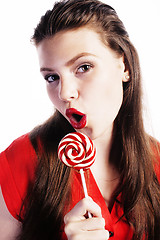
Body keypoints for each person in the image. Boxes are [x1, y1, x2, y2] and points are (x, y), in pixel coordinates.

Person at [0, 0, 160, 239]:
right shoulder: (19, 163)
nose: (64, 93)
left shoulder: (157, 163)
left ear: (124, 66)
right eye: (52, 77)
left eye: (84, 67)